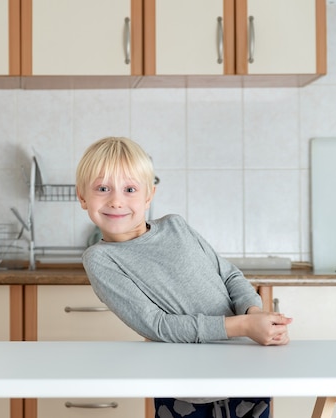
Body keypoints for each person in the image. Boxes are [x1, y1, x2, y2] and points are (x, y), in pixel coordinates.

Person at [75, 136, 292, 418]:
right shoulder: (101, 259)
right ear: (82, 197)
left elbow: (230, 276)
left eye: (130, 189)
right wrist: (245, 326)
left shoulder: (176, 226)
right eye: (102, 189)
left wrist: (255, 314)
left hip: (246, 373)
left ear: (148, 195)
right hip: (184, 390)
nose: (117, 201)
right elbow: (157, 326)